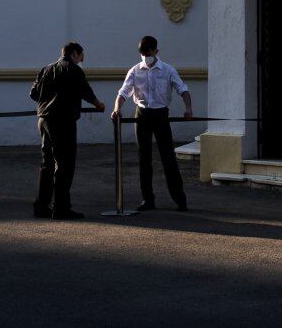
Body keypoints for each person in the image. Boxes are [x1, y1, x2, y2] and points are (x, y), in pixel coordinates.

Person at [113, 35, 192, 212]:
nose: (145, 56)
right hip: (141, 115)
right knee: (144, 158)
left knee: (168, 157)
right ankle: (147, 199)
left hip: (161, 115)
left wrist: (188, 108)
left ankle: (180, 199)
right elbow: (124, 92)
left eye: (148, 53)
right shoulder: (135, 70)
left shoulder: (167, 70)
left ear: (156, 51)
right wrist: (117, 108)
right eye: (142, 53)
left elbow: (182, 88)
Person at [31, 42, 105, 220]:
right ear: (74, 54)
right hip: (63, 120)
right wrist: (98, 104)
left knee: (47, 163)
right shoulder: (74, 70)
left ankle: (42, 206)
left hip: (43, 119)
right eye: (81, 57)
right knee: (64, 164)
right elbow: (85, 91)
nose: (81, 61)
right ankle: (61, 207)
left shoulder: (45, 69)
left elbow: (33, 93)